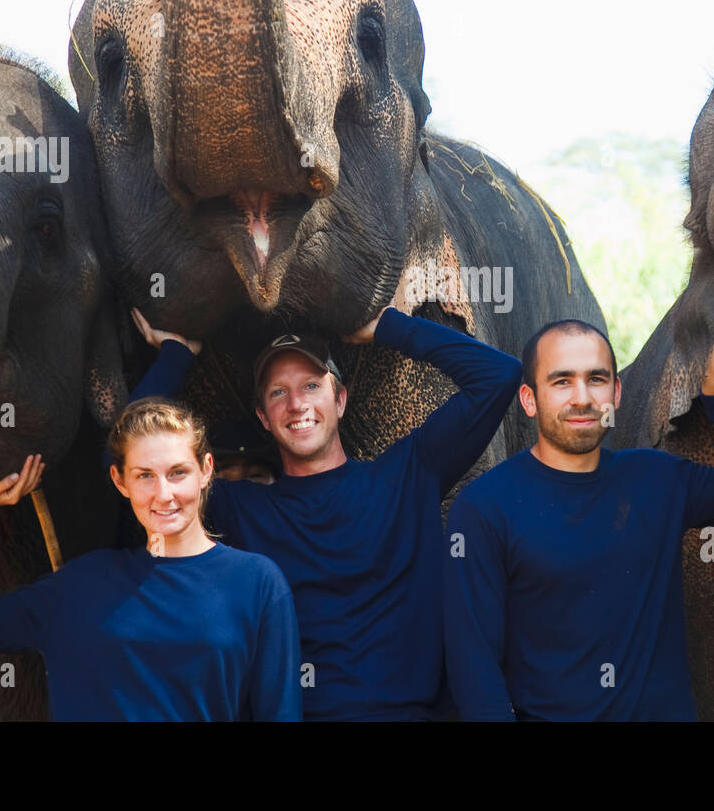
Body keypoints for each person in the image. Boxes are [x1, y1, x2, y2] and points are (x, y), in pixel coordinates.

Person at [125, 304, 522, 720]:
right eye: (278, 392)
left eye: (312, 386)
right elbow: (128, 461)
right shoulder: (241, 508)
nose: (297, 404)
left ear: (341, 399)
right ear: (263, 417)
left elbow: (499, 376)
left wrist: (389, 325)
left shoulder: (409, 474)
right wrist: (177, 355)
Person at [443, 290, 714, 720]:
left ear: (617, 393)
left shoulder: (656, 479)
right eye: (562, 380)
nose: (583, 397)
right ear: (529, 399)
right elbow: (474, 667)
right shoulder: (484, 509)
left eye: (597, 378)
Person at [0, 399, 302, 721]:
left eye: (178, 472)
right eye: (144, 475)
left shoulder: (257, 583)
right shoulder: (81, 584)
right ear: (119, 481)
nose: (164, 494)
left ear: (206, 469)